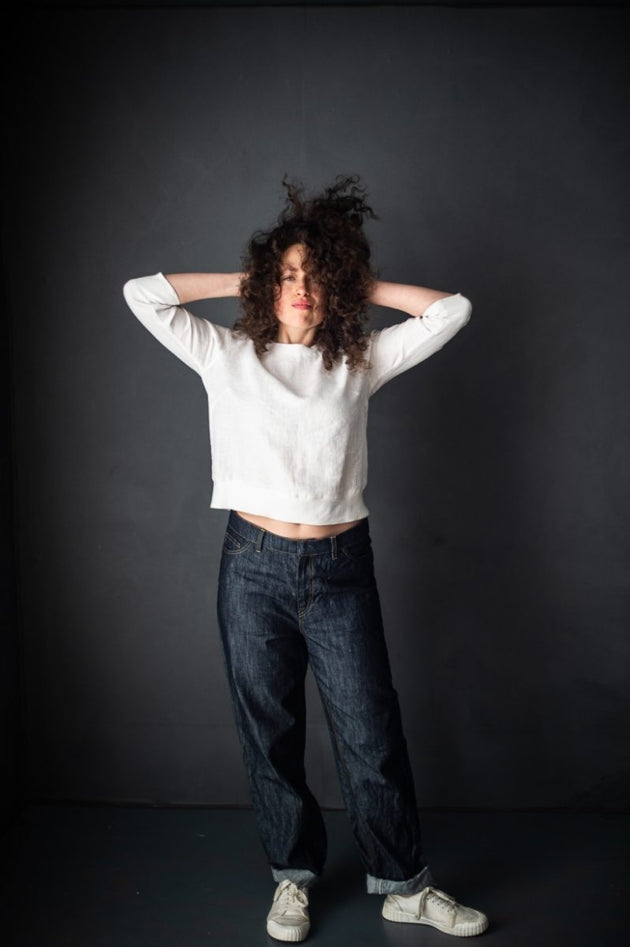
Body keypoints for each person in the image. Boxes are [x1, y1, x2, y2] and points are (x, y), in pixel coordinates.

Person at [123, 175, 489, 941]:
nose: (301, 289)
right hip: (252, 568)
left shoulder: (358, 360)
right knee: (270, 731)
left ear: (335, 290)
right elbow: (141, 295)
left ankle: (404, 884)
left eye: (316, 277)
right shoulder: (226, 354)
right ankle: (292, 875)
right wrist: (249, 276)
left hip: (341, 569)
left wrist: (352, 279)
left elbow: (451, 310)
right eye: (288, 276)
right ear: (268, 284)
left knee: (370, 731)